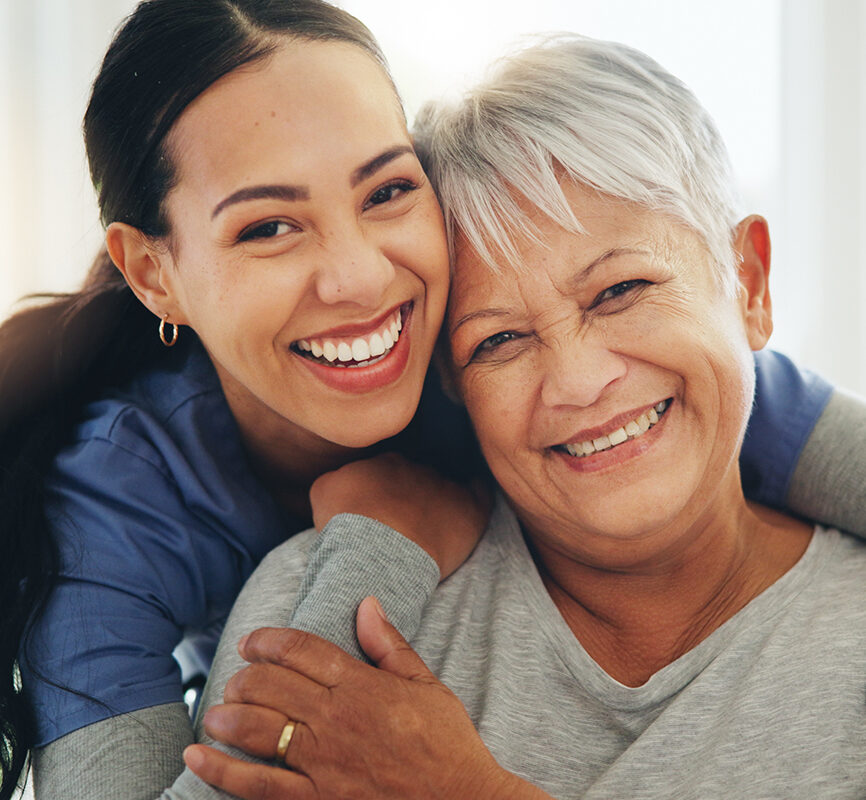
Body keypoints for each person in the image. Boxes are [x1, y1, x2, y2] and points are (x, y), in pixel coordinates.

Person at [3, 4, 859, 798]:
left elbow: (744, 395)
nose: (363, 278)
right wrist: (379, 555)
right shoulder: (115, 509)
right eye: (266, 226)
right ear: (153, 271)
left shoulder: (523, 344)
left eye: (385, 191)